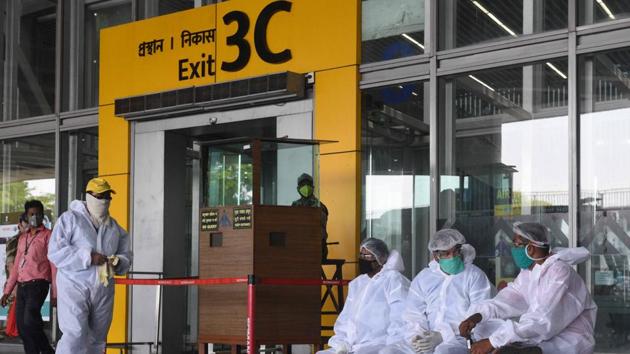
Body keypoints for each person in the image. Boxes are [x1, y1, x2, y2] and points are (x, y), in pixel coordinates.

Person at [459, 222, 597, 354]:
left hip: (569, 340)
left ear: (530, 248)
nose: (513, 250)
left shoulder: (559, 271)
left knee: (506, 346)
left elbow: (542, 318)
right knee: (493, 334)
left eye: (516, 245)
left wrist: (492, 342)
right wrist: (478, 315)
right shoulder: (530, 272)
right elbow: (509, 298)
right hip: (544, 335)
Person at [48, 177, 132, 354]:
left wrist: (119, 262)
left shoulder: (113, 226)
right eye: (100, 195)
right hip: (74, 286)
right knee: (75, 334)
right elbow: (55, 252)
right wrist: (88, 257)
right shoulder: (70, 220)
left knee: (98, 338)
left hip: (103, 288)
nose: (105, 200)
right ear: (89, 196)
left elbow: (126, 255)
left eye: (108, 195)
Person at [380, 229, 493, 354]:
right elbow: (413, 313)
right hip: (426, 338)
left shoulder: (474, 275)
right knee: (389, 351)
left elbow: (479, 314)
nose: (453, 256)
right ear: (436, 256)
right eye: (446, 253)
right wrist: (418, 336)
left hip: (458, 340)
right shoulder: (424, 278)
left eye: (455, 251)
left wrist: (442, 336)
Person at [318, 238, 410, 354]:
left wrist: (393, 345)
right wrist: (341, 343)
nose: (362, 259)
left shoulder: (393, 280)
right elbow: (346, 317)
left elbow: (400, 316)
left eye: (367, 256)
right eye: (361, 255)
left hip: (379, 344)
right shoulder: (358, 283)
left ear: (379, 258)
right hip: (352, 345)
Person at [1, 201, 56, 353]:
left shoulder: (48, 236)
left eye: (38, 213)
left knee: (30, 320)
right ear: (26, 215)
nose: (35, 216)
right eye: (32, 214)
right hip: (22, 286)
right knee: (23, 327)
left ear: (43, 215)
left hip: (38, 284)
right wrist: (7, 291)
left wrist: (55, 293)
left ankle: (47, 351)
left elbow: (54, 266)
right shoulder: (22, 238)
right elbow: (17, 267)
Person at [292, 173, 329, 261]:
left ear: (312, 187)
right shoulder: (295, 205)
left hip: (316, 249)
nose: (306, 187)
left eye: (308, 184)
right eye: (302, 184)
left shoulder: (319, 206)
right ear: (298, 188)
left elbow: (321, 230)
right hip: (298, 248)